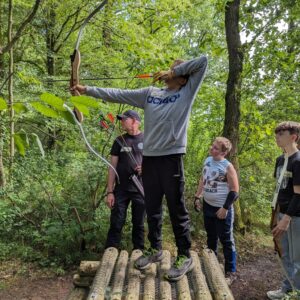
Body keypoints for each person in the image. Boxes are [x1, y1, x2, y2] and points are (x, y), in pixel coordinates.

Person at [71, 55, 208, 281]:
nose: (167, 73)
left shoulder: (186, 91)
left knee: (176, 209)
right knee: (152, 207)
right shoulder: (150, 94)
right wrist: (86, 89)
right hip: (150, 159)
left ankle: (184, 255)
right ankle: (155, 249)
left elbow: (203, 61)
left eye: (173, 71)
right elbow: (116, 94)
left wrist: (175, 72)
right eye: (170, 69)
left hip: (171, 158)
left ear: (183, 78)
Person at [194, 137, 239, 285]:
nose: (211, 149)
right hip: (208, 205)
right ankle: (212, 266)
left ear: (224, 152)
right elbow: (203, 179)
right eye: (212, 146)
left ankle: (230, 272)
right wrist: (197, 196)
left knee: (226, 240)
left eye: (215, 148)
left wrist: (225, 208)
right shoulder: (207, 160)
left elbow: (234, 191)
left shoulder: (227, 167)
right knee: (211, 237)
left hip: (222, 209)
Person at [267, 121, 300, 300]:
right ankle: (287, 290)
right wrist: (276, 213)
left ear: (293, 137)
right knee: (285, 254)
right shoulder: (280, 160)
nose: (277, 137)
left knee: (298, 258)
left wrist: (286, 218)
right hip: (281, 212)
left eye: (281, 134)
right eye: (276, 133)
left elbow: (298, 195)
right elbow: (280, 188)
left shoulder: (298, 161)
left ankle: (297, 293)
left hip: (295, 217)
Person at [105, 110, 145, 251]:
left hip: (141, 189)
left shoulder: (148, 139)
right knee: (116, 222)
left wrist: (146, 169)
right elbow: (112, 168)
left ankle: (139, 254)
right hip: (121, 189)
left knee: (139, 224)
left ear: (134, 121)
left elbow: (158, 165)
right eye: (121, 119)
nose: (121, 121)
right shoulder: (118, 140)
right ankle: (110, 253)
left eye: (124, 119)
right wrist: (110, 192)